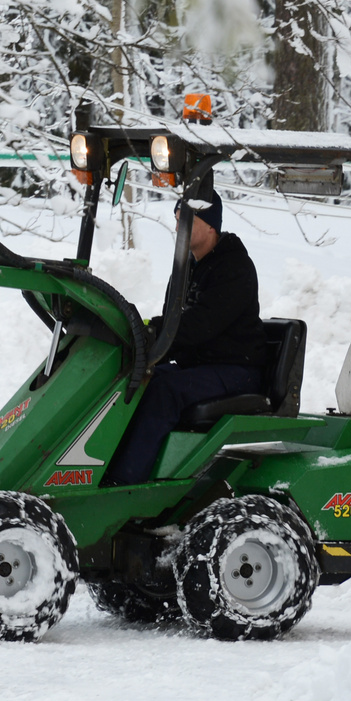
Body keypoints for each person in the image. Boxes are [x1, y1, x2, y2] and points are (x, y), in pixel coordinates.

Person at [105, 188, 266, 485]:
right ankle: (103, 470)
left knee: (164, 390)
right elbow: (174, 321)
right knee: (136, 380)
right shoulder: (186, 268)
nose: (179, 228)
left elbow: (200, 324)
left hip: (236, 369)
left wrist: (152, 332)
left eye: (187, 220)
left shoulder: (233, 267)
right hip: (202, 366)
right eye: (177, 220)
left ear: (210, 223)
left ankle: (126, 484)